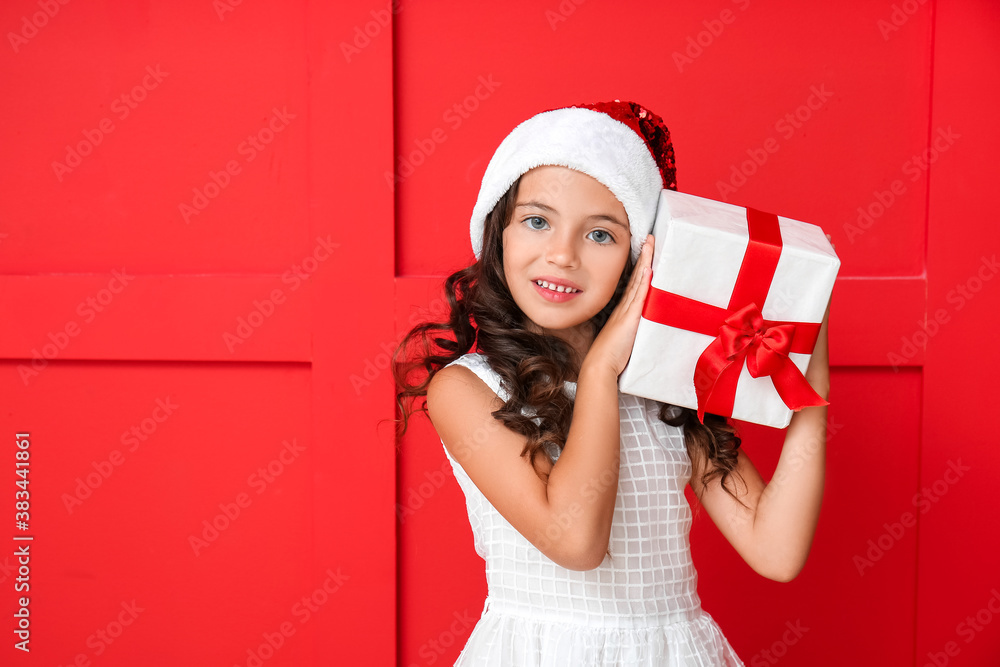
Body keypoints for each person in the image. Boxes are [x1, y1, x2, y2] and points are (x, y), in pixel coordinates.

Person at [392, 100, 831, 666]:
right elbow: (576, 542)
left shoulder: (667, 386)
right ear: (497, 232)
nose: (561, 254)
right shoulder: (468, 388)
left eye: (600, 235)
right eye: (537, 220)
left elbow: (777, 551)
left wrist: (810, 388)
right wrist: (600, 370)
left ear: (638, 258)